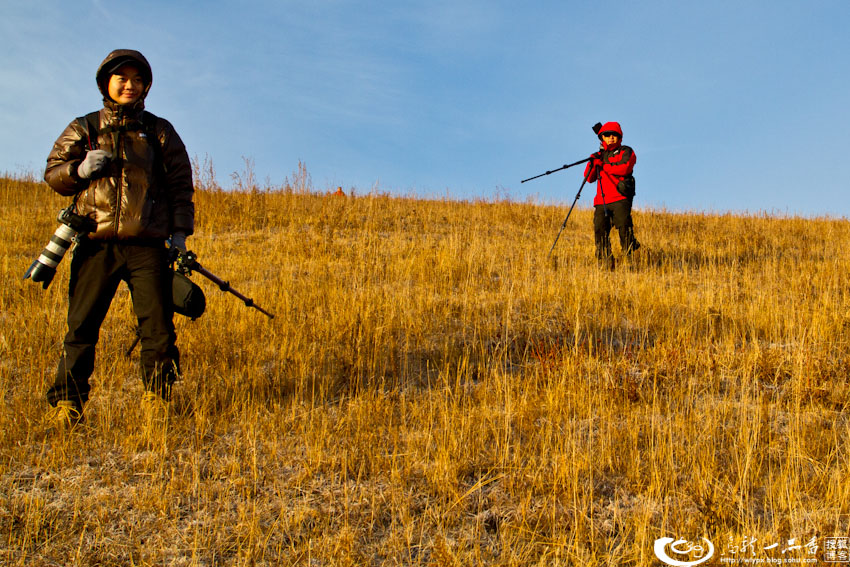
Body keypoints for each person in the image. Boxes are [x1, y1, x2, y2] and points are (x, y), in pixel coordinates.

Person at [43, 49, 194, 428]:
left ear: (146, 86)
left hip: (148, 246)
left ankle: (157, 400)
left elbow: (180, 186)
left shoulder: (160, 131)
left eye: (137, 79)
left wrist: (179, 234)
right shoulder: (85, 128)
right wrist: (77, 169)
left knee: (157, 328)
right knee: (81, 326)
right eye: (121, 78)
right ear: (105, 83)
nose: (129, 85)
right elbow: (52, 173)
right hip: (96, 243)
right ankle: (68, 405)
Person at [584, 121, 639, 270]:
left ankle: (629, 260)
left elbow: (625, 167)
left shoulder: (626, 151)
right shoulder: (597, 156)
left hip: (621, 198)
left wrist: (604, 166)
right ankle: (606, 262)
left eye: (614, 135)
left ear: (619, 137)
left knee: (624, 228)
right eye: (607, 135)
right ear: (602, 137)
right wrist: (593, 163)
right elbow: (589, 178)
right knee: (600, 230)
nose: (611, 138)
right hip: (601, 200)